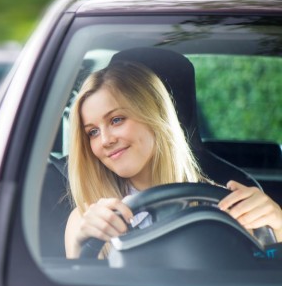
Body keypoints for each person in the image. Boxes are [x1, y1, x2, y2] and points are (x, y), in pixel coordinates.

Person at [64, 60, 282, 259]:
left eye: (116, 120)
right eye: (92, 132)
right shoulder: (86, 221)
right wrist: (79, 249)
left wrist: (279, 227)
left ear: (155, 116)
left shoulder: (231, 208)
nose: (105, 140)